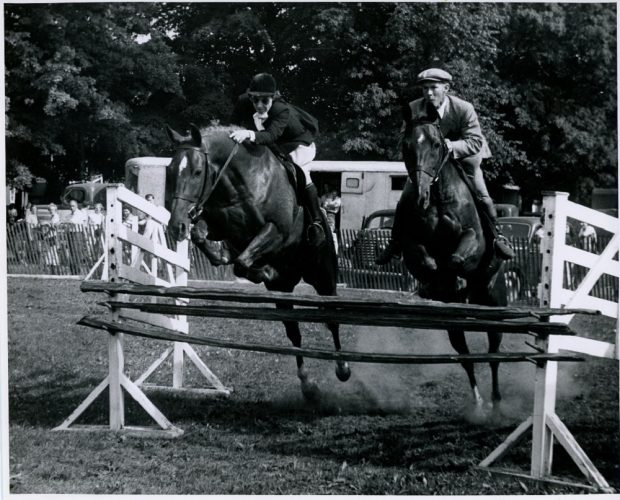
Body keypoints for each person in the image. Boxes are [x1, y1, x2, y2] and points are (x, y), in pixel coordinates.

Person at [376, 68, 515, 264]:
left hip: (462, 158)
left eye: (434, 88)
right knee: (406, 197)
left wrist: (451, 146)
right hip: (428, 161)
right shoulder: (414, 108)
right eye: (425, 89)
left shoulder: (463, 108)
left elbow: (476, 141)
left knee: (482, 196)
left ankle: (498, 238)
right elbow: (405, 137)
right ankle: (395, 242)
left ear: (446, 88)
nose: (429, 93)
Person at [229, 72, 325, 247]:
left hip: (298, 145)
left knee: (301, 173)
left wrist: (249, 133)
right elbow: (232, 124)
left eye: (264, 101)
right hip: (272, 144)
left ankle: (316, 223)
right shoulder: (243, 101)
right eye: (255, 100)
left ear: (273, 97)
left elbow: (271, 135)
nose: (259, 105)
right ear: (249, 96)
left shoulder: (282, 110)